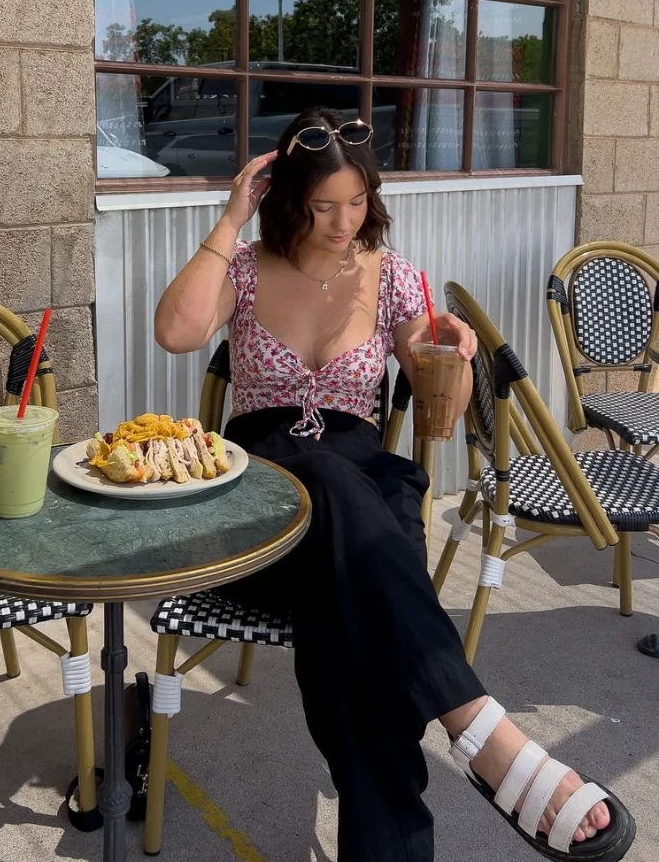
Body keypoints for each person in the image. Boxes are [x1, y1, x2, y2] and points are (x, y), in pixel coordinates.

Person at [154, 107, 634, 862]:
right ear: (286, 197)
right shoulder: (244, 270)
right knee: (317, 482)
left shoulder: (393, 274)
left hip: (366, 503)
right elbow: (178, 331)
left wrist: (448, 342)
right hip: (261, 509)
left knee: (351, 614)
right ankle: (484, 732)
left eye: (356, 202)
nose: (343, 221)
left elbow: (423, 353)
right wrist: (228, 217)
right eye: (322, 205)